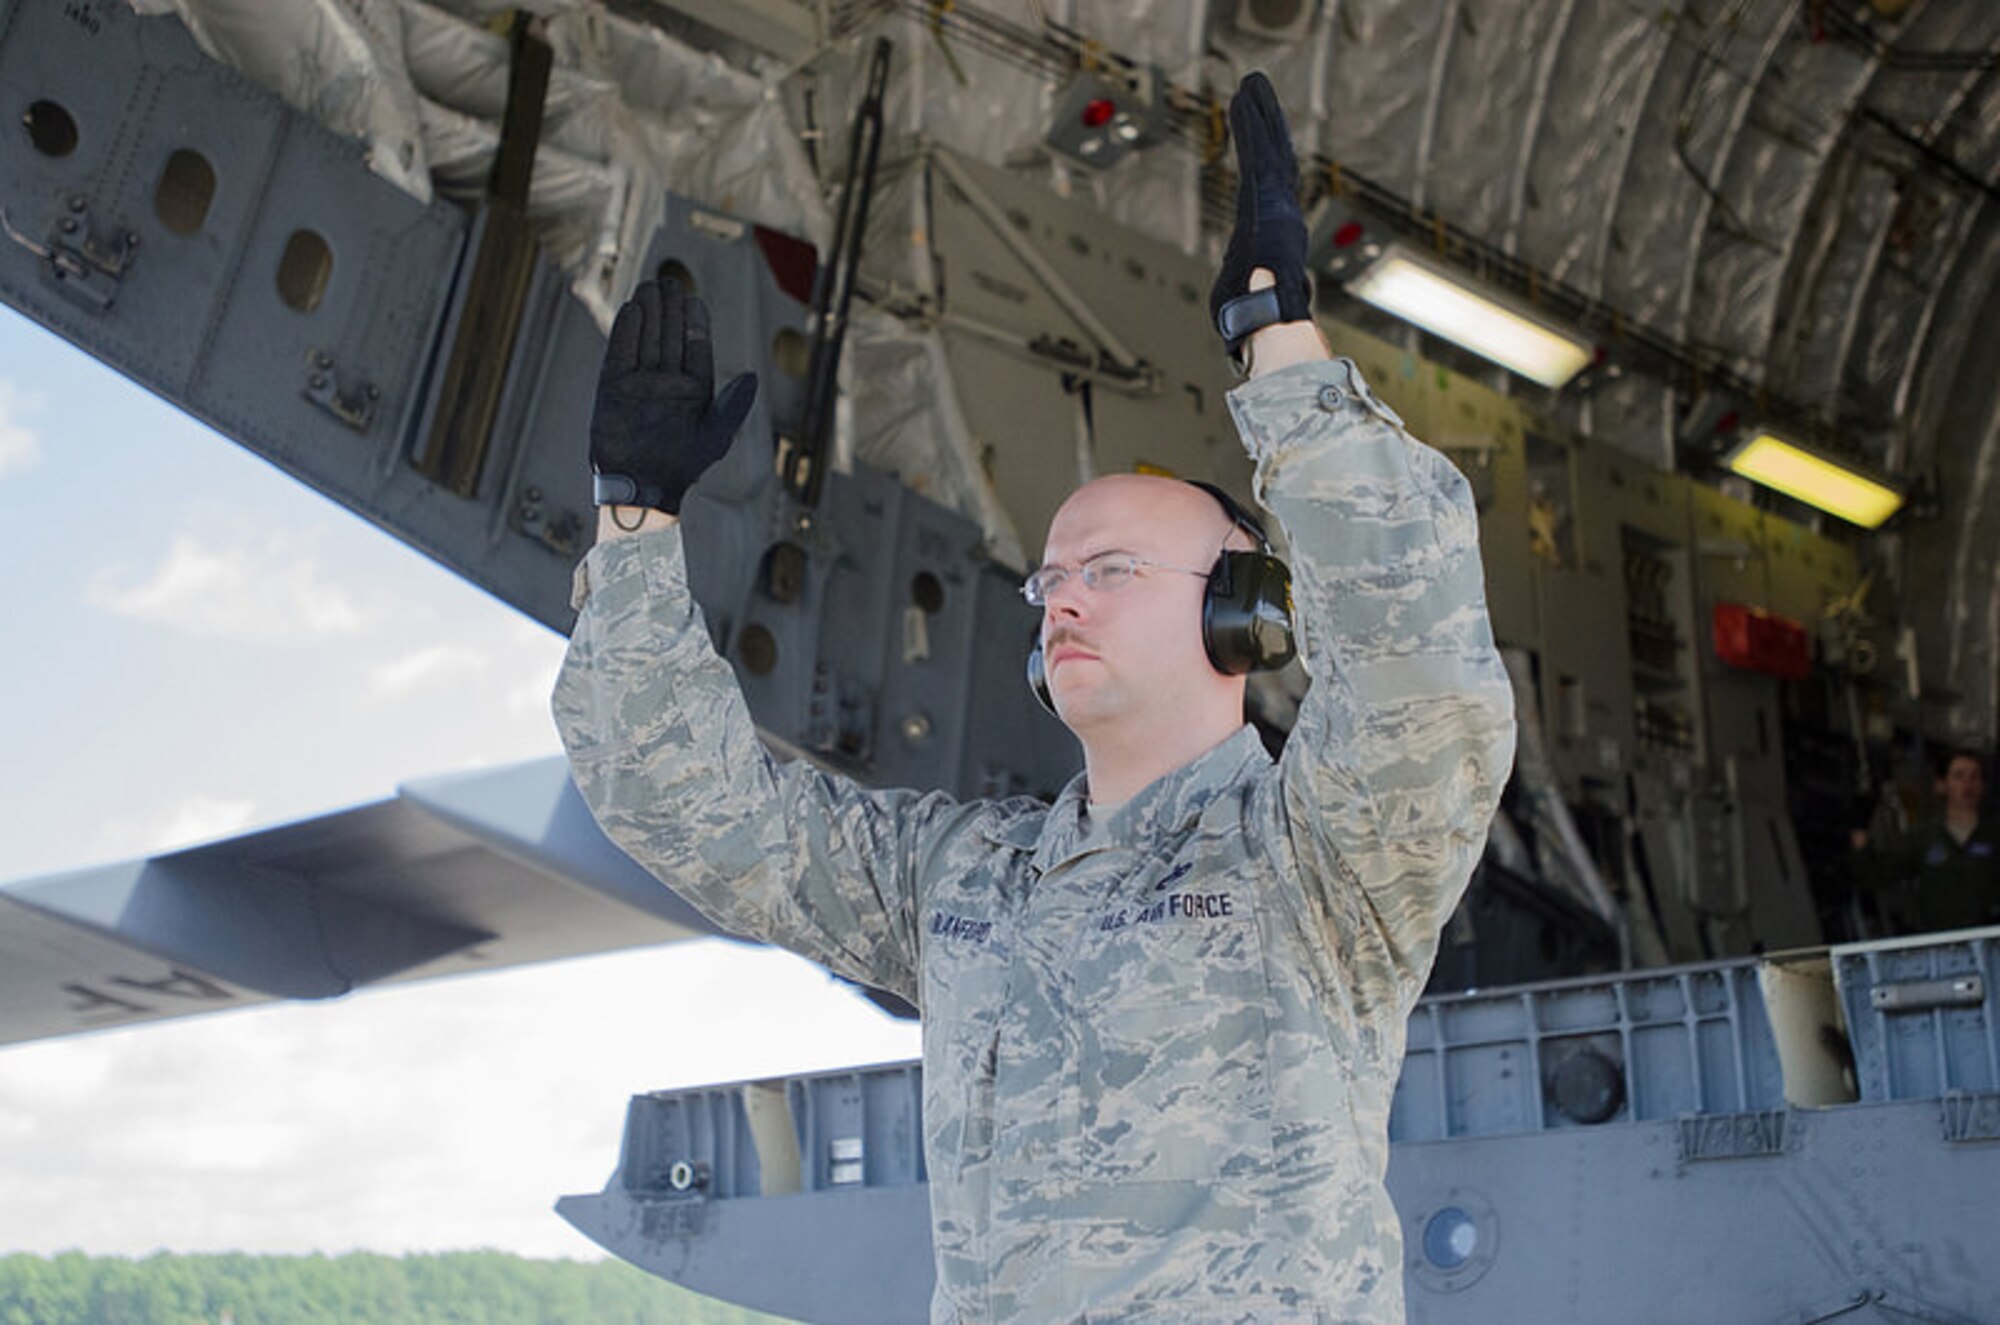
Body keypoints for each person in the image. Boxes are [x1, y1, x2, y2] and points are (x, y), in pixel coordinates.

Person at [555, 73, 1514, 1324]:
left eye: (1109, 571)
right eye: (1051, 578)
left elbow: (1416, 665)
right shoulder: (960, 878)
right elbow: (692, 810)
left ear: (1243, 612)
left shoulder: (1322, 858)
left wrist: (1278, 340)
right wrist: (634, 526)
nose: (1060, 598)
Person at [1854, 748, 1999, 934]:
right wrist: (1859, 840)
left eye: (1974, 776)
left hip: (1990, 942)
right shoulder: (1924, 836)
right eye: (1959, 776)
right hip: (1938, 942)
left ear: (1983, 785)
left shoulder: (1994, 834)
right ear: (1941, 784)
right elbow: (1878, 874)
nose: (1967, 784)